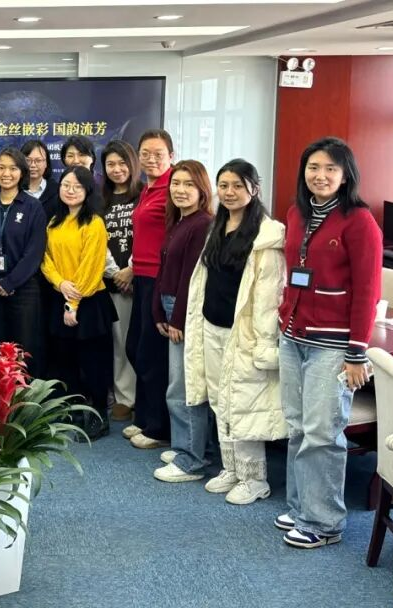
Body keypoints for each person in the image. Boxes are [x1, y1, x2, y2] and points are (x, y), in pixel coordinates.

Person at [275, 137, 382, 549]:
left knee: (323, 432)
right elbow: (294, 272)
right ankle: (302, 507)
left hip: (332, 345)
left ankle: (323, 522)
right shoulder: (297, 212)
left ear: (345, 175)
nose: (320, 176)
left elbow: (368, 292)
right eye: (313, 167)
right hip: (293, 335)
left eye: (330, 169)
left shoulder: (359, 221)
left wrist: (357, 352)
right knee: (297, 426)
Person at [182, 159, 286, 504]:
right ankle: (232, 468)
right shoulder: (218, 226)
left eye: (237, 186)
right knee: (219, 400)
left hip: (244, 334)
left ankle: (254, 478)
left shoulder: (266, 235)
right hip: (212, 326)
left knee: (243, 403)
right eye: (223, 185)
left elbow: (270, 297)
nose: (229, 192)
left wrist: (264, 342)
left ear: (254, 189)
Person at [150, 160, 214, 482]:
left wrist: (177, 318)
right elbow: (165, 269)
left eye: (189, 184)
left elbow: (192, 277)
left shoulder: (202, 224)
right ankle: (187, 446)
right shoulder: (179, 221)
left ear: (202, 190)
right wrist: (158, 310)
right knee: (178, 384)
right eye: (176, 183)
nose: (180, 190)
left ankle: (191, 459)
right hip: (172, 306)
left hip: (185, 311)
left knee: (184, 387)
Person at [41, 166, 116, 439]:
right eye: (65, 185)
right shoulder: (54, 222)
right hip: (60, 297)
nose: (70, 191)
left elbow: (91, 268)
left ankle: (99, 416)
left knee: (93, 363)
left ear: (87, 191)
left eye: (77, 186)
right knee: (66, 362)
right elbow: (45, 259)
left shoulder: (94, 223)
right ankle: (75, 413)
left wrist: (72, 304)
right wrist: (60, 283)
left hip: (89, 303)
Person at [123, 129, 175, 449]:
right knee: (137, 349)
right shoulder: (147, 188)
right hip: (141, 277)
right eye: (145, 153)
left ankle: (158, 428)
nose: (151, 159)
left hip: (160, 279)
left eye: (158, 154)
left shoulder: (173, 188)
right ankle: (143, 417)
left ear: (171, 156)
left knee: (153, 355)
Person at [0, 147, 47, 373]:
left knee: (24, 350)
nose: (6, 173)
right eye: (1, 168)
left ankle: (26, 394)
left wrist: (10, 282)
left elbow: (35, 252)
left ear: (22, 172)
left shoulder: (32, 207)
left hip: (24, 290)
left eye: (13, 168)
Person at [100, 140, 142, 422]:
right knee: (116, 341)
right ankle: (122, 396)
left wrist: (130, 269)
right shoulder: (100, 199)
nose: (117, 169)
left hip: (138, 278)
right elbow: (97, 239)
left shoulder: (143, 195)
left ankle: (132, 397)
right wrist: (116, 272)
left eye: (122, 163)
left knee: (133, 342)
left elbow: (149, 235)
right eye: (110, 164)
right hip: (110, 280)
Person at [21, 139, 57, 217]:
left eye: (38, 160)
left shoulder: (57, 191)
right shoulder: (14, 190)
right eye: (28, 160)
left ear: (46, 163)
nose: (33, 165)